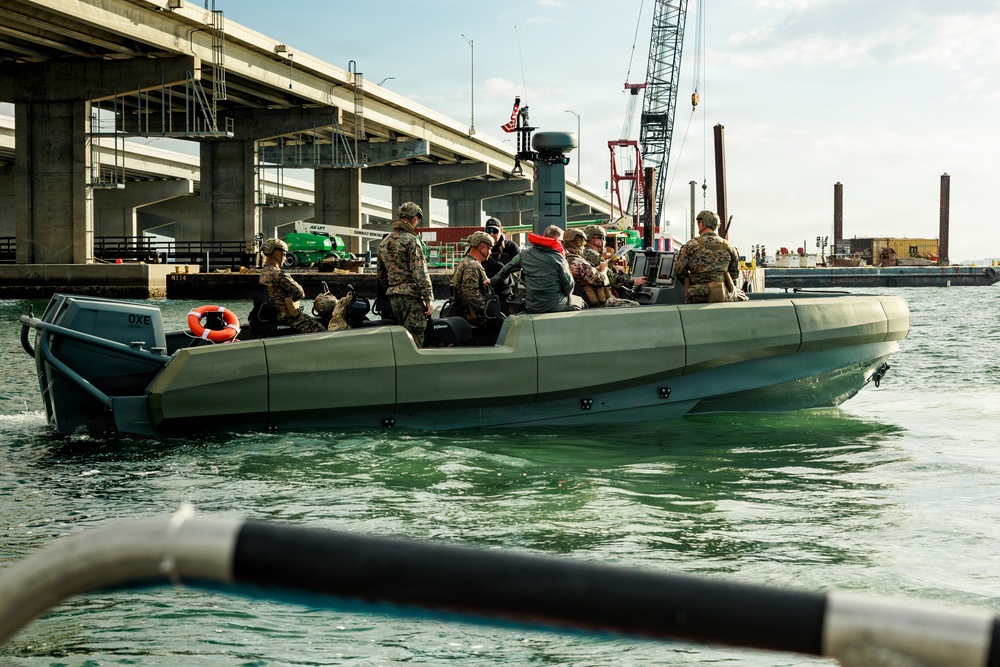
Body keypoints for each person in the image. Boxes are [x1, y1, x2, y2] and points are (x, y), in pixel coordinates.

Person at [377, 201, 434, 346]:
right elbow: (419, 272)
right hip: (411, 298)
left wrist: (392, 289)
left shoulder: (385, 242)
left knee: (399, 339)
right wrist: (428, 299)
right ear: (415, 219)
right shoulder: (412, 241)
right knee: (415, 337)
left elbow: (381, 275)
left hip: (393, 298)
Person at [493, 225, 578, 313]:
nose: (562, 245)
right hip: (554, 304)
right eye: (562, 242)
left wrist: (491, 282)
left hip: (532, 306)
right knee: (580, 302)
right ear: (557, 240)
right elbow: (569, 285)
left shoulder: (524, 254)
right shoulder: (559, 258)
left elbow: (505, 270)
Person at [673, 209, 742, 303]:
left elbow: (679, 271)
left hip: (697, 296)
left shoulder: (690, 246)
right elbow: (735, 273)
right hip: (722, 296)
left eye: (699, 222)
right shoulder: (729, 246)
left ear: (702, 223)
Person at [259, 238, 325, 334]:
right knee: (320, 330)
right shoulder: (278, 274)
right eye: (284, 254)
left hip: (272, 313)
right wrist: (291, 301)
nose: (285, 258)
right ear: (276, 253)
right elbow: (300, 293)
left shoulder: (263, 273)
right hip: (286, 316)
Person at [563, 228, 639, 308]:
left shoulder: (565, 259)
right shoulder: (579, 262)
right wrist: (604, 269)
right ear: (580, 244)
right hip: (597, 304)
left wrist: (597, 268)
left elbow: (586, 273)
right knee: (635, 305)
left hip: (581, 300)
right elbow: (602, 280)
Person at [582, 224, 647, 295]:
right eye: (603, 238)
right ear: (595, 240)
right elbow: (610, 277)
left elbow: (596, 268)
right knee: (635, 304)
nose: (604, 241)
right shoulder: (593, 255)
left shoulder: (584, 252)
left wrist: (612, 266)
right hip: (599, 296)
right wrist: (633, 282)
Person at [450, 231, 495, 328]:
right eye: (490, 249)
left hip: (464, 317)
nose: (490, 252)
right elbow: (470, 294)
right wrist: (488, 308)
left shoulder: (465, 261)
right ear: (483, 248)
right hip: (472, 319)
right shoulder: (472, 265)